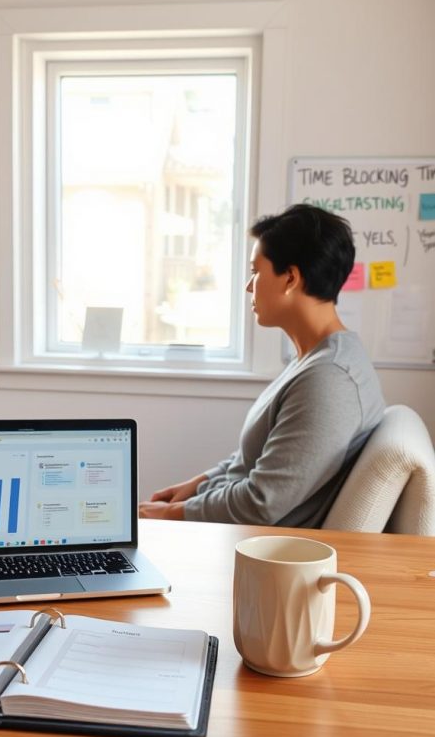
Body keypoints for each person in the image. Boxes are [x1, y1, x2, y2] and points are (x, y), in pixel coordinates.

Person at [139, 203, 385, 527]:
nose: (248, 285)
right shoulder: (314, 360)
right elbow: (258, 457)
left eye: (256, 271)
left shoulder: (329, 380)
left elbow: (261, 503)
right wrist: (199, 483)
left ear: (290, 278)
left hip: (254, 548)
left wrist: (172, 515)